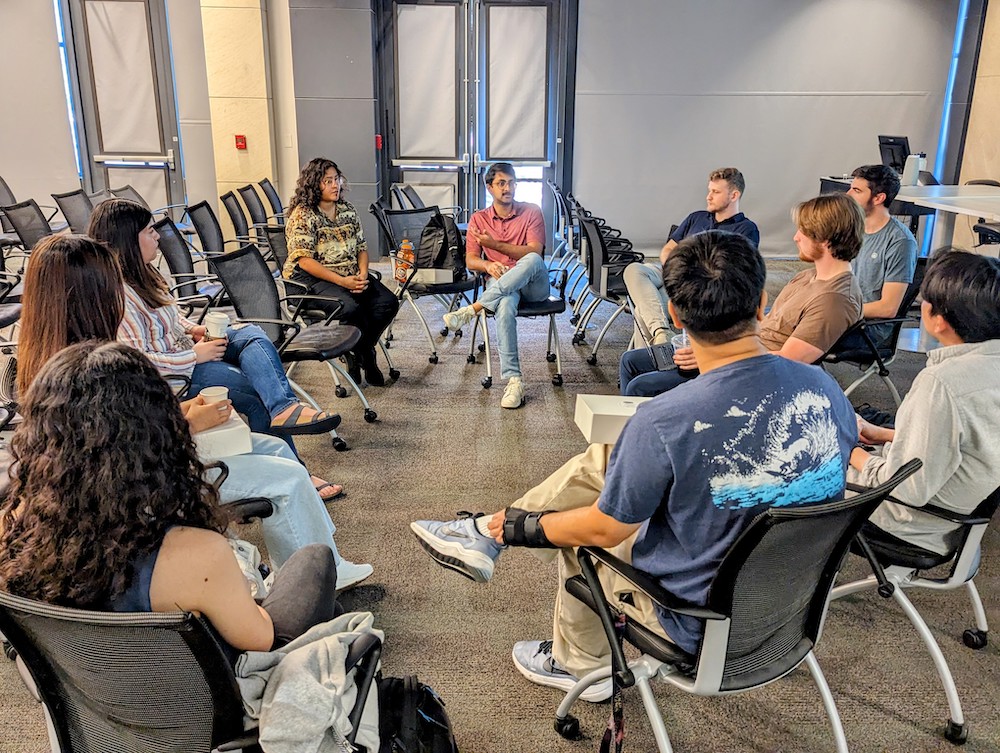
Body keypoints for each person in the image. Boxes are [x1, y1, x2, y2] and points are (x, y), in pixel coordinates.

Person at [410, 231, 857, 701]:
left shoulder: (666, 418)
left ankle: (579, 664)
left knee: (574, 533)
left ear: (674, 315)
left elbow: (603, 529)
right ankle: (485, 531)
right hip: (790, 609)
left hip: (696, 623)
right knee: (610, 457)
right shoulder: (828, 392)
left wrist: (524, 529)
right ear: (762, 304)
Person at [14, 234, 372, 586]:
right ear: (92, 297)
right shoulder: (99, 365)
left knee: (276, 447)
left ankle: (324, 562)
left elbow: (116, 428)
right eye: (112, 287)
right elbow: (122, 450)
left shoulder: (47, 357)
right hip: (144, 482)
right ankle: (316, 578)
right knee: (288, 479)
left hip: (137, 464)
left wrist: (181, 411)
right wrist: (187, 422)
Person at [0, 342, 338, 653]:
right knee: (314, 562)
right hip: (196, 711)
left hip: (85, 707)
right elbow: (261, 639)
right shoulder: (198, 555)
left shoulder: (14, 529)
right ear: (158, 435)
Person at [87, 199, 342, 453]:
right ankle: (294, 469)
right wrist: (194, 357)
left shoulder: (145, 272)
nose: (157, 237)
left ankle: (284, 408)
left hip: (186, 351)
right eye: (149, 231)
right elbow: (135, 361)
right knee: (256, 393)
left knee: (250, 333)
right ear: (128, 240)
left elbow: (170, 314)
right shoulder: (120, 295)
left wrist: (192, 329)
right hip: (175, 377)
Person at [620, 192, 864, 396]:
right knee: (630, 362)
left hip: (746, 374)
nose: (795, 237)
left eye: (804, 231)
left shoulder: (834, 299)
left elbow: (788, 363)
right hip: (737, 354)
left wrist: (712, 355)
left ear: (825, 238)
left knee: (640, 387)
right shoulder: (808, 277)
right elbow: (763, 328)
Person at [851, 250, 1000, 555]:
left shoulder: (943, 384)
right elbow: (971, 443)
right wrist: (890, 435)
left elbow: (906, 489)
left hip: (906, 523)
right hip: (958, 518)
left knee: (788, 465)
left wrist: (847, 450)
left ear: (939, 320)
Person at [439, 163, 549, 409]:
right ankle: (514, 380)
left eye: (511, 182)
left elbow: (535, 252)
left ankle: (472, 309)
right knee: (506, 303)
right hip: (501, 284)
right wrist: (488, 266)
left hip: (535, 286)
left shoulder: (532, 211)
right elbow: (471, 260)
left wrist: (496, 246)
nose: (507, 188)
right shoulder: (479, 219)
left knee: (531, 259)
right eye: (501, 183)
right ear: (489, 187)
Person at [283, 157, 399, 386]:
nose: (335, 185)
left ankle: (361, 350)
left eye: (336, 179)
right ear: (314, 184)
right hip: (309, 278)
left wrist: (363, 274)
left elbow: (362, 248)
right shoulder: (303, 215)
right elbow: (305, 261)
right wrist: (344, 282)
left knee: (388, 302)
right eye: (328, 181)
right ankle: (363, 356)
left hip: (348, 272)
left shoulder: (347, 210)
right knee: (350, 306)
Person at [623, 167, 759, 345]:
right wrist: (675, 270)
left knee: (643, 309)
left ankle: (655, 344)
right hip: (672, 275)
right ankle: (661, 336)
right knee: (634, 269)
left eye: (715, 192)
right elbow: (668, 249)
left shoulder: (746, 230)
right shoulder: (697, 217)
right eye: (709, 190)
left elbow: (728, 272)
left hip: (698, 291)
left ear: (734, 196)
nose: (708, 196)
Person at [845, 164, 918, 343]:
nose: (848, 195)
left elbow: (888, 308)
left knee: (800, 334)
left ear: (878, 198)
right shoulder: (853, 229)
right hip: (843, 315)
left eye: (856, 190)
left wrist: (841, 310)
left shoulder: (900, 241)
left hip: (868, 328)